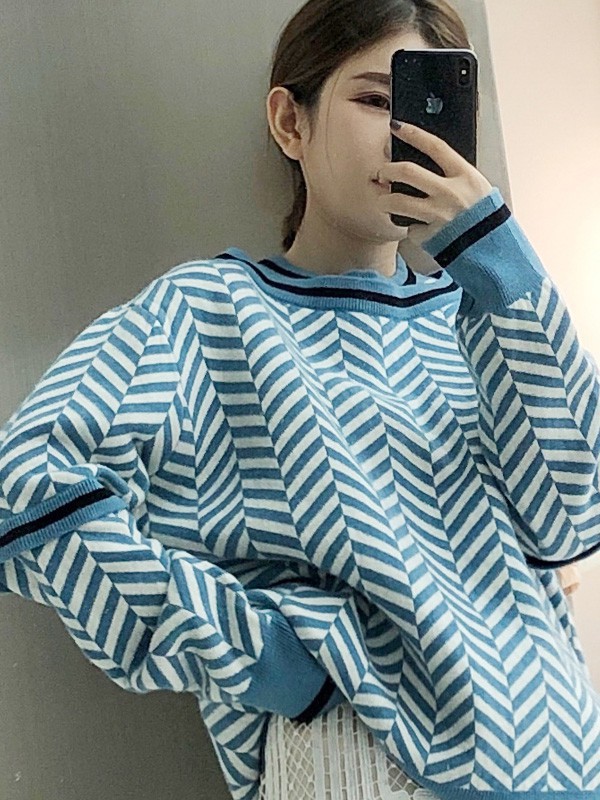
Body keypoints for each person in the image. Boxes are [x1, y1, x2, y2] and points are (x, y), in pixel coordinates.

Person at [0, 0, 598, 798]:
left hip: (563, 760)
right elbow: (25, 489)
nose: (406, 135)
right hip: (366, 752)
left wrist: (495, 257)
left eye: (432, 108)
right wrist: (265, 659)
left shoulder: (480, 314)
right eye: (375, 99)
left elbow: (570, 520)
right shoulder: (211, 311)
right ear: (291, 121)